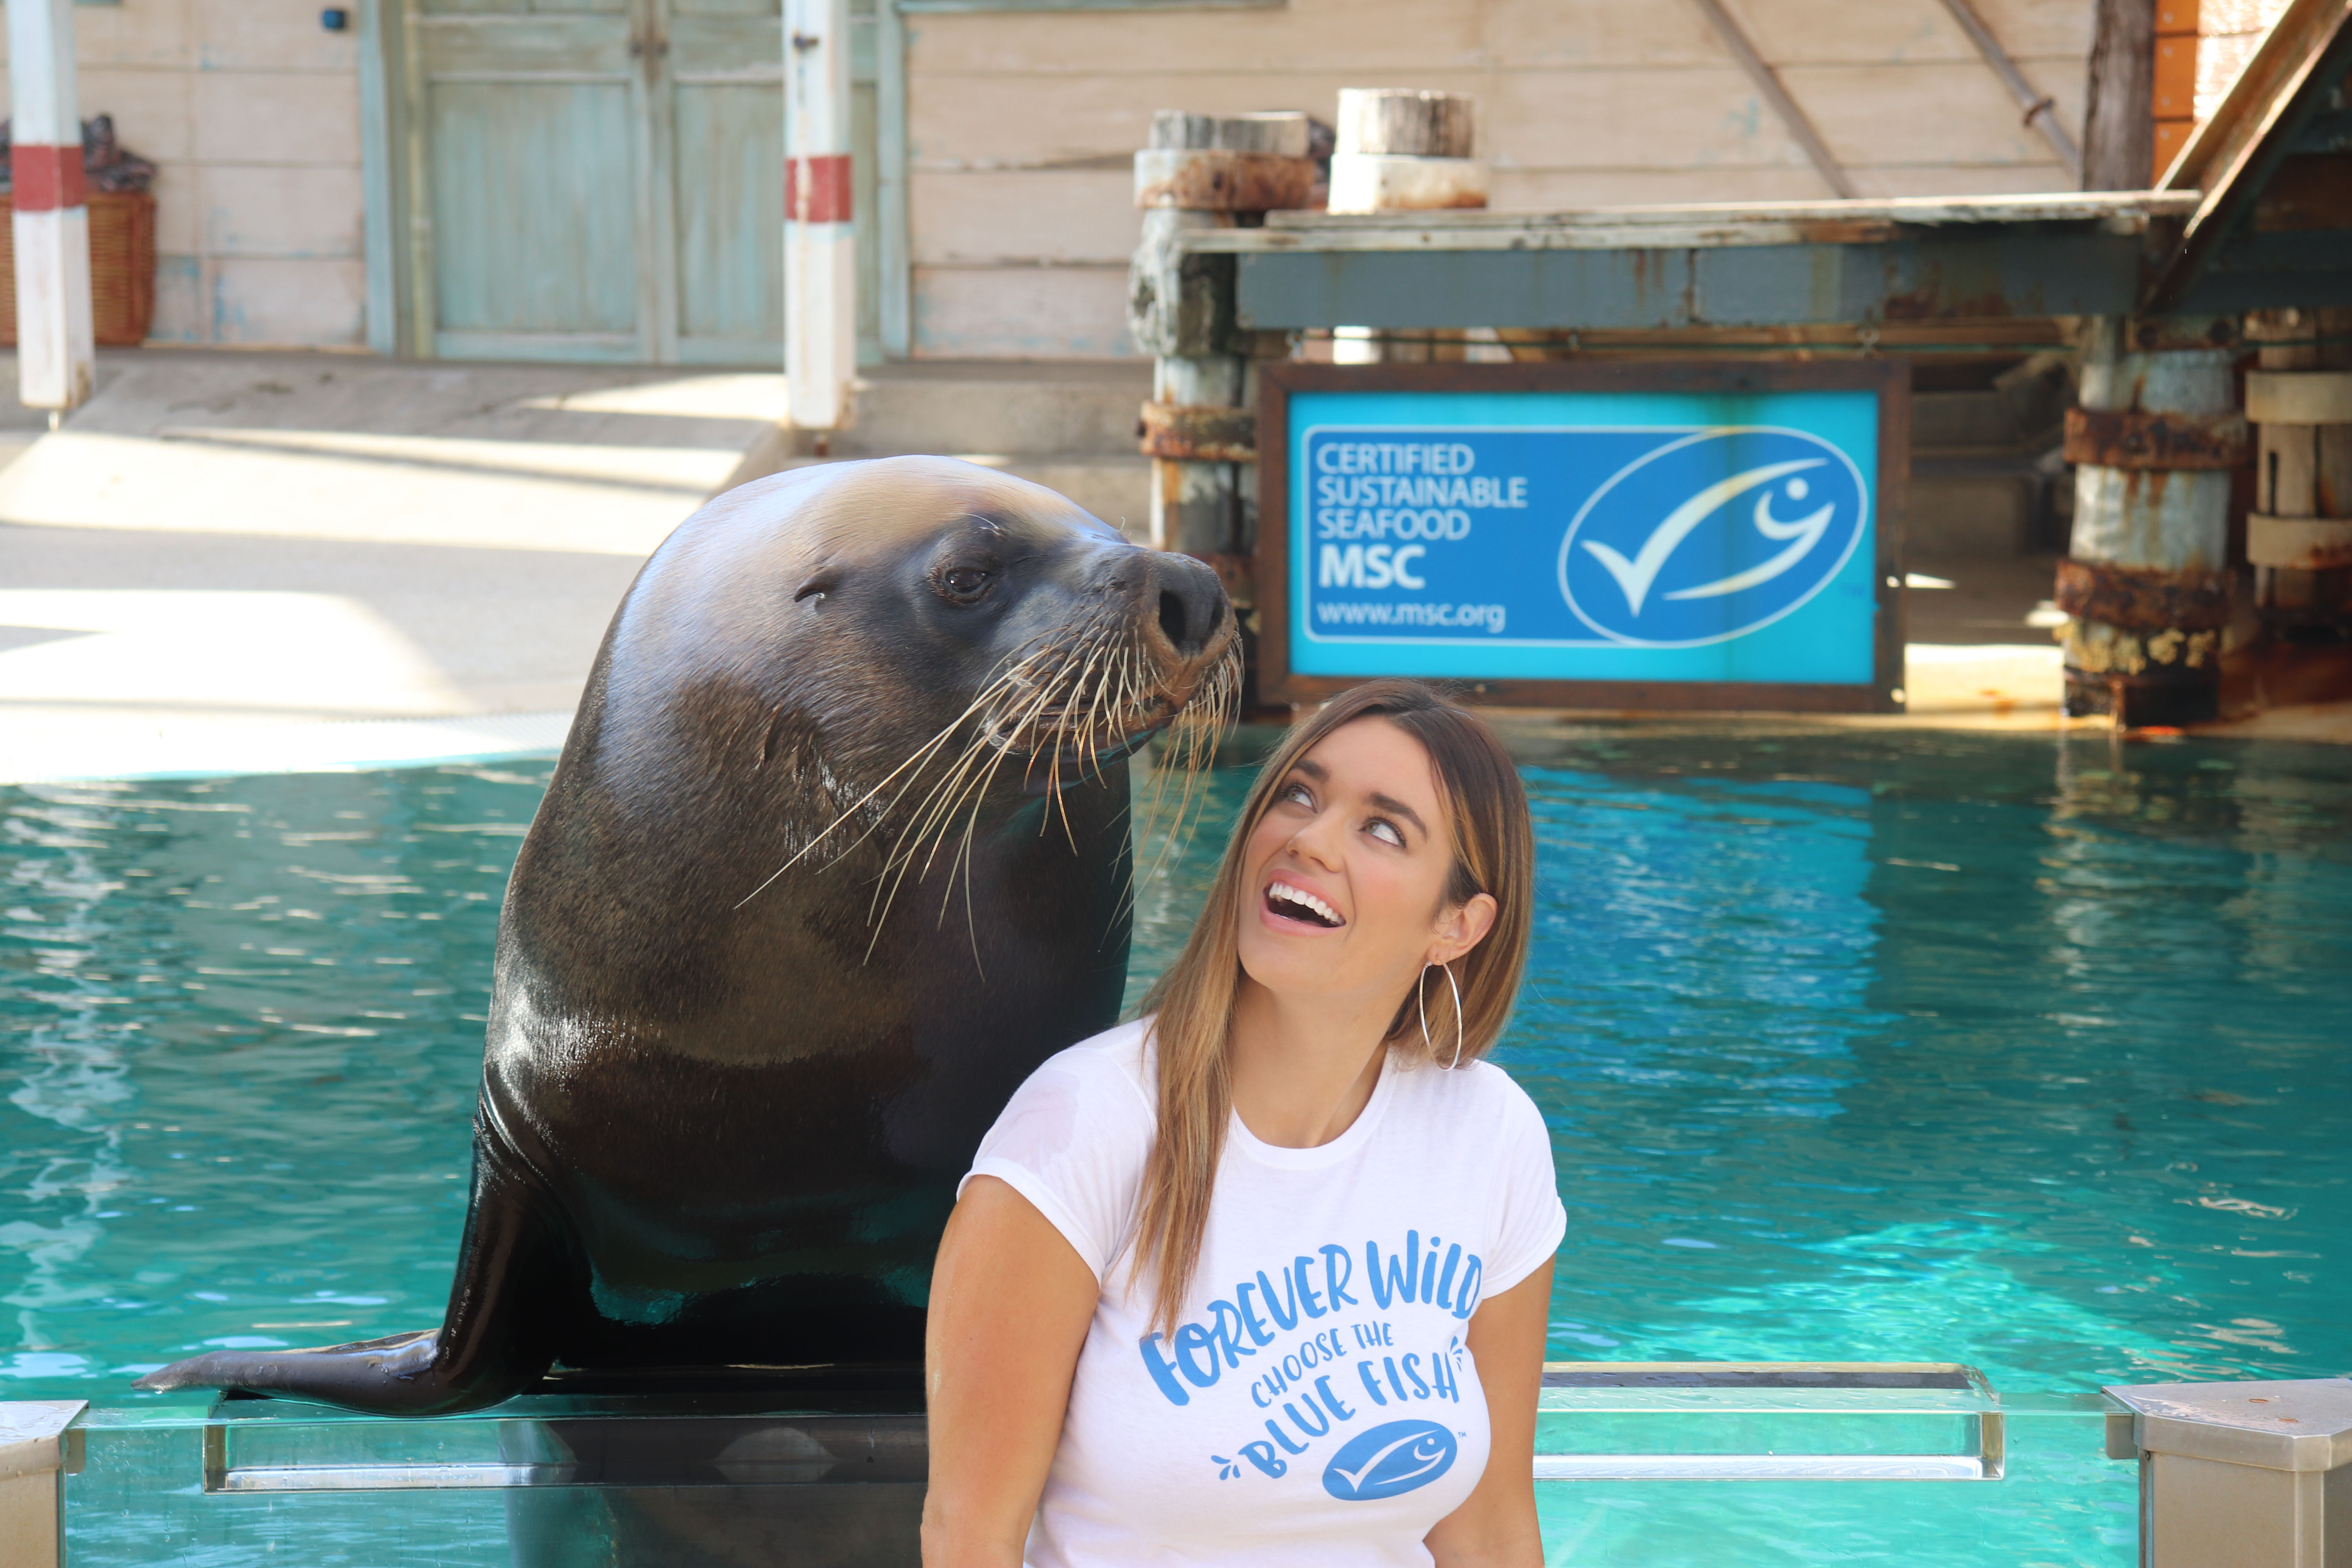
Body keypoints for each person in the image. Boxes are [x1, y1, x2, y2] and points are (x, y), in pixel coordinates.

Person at [924, 679, 1563, 1568]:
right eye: (1299, 794)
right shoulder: (1083, 1124)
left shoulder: (1492, 1136)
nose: (1310, 838)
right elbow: (969, 1537)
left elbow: (1490, 1532)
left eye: (1382, 829)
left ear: (1458, 925)